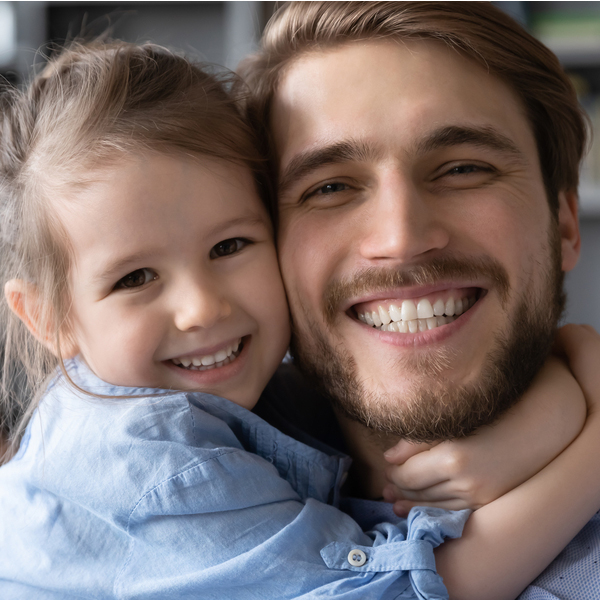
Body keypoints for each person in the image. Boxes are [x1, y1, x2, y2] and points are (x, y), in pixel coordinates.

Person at [0, 36, 596, 600]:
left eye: (230, 246)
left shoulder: (252, 399)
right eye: (134, 278)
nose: (202, 306)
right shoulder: (147, 459)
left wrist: (556, 408)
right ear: (48, 317)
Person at [239, 1, 600, 598]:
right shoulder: (155, 495)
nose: (401, 240)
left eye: (463, 169)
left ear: (564, 224)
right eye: (329, 187)